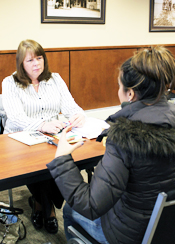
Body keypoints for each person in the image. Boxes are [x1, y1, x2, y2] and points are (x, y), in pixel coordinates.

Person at [46, 46, 175, 244]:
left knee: (71, 209)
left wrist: (62, 159)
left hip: (129, 235)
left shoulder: (125, 139)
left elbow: (90, 205)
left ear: (130, 94)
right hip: (167, 228)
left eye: (119, 86)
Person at [2, 39, 86, 234]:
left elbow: (70, 105)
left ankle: (41, 204)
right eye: (30, 60)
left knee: (61, 160)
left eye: (39, 58)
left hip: (51, 137)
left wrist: (79, 114)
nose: (36, 64)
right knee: (41, 166)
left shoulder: (55, 79)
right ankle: (45, 209)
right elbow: (16, 117)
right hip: (19, 138)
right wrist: (43, 125)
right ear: (21, 63)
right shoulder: (10, 82)